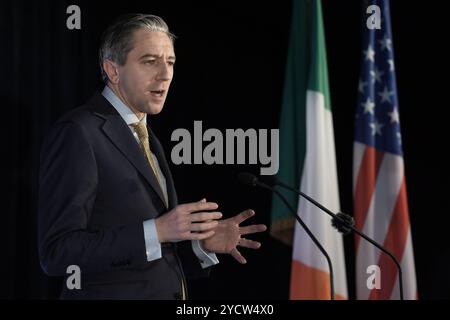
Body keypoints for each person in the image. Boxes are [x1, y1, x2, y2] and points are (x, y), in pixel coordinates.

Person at [38, 13, 266, 300]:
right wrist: (157, 230)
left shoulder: (145, 135)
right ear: (113, 70)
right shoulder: (78, 132)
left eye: (170, 62)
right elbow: (58, 253)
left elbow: (151, 253)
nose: (165, 74)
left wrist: (200, 246)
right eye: (149, 61)